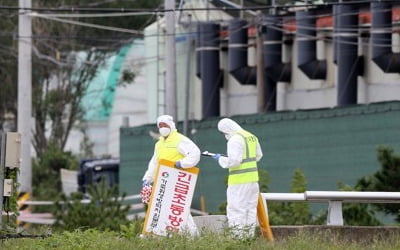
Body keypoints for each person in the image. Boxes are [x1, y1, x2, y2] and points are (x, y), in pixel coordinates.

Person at [141, 114, 201, 236]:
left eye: (165, 125)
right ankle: (165, 235)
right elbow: (154, 162)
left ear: (171, 125)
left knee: (179, 209)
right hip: (164, 181)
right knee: (165, 209)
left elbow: (195, 154)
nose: (163, 128)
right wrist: (148, 178)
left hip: (178, 180)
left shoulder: (180, 140)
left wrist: (182, 164)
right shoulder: (159, 144)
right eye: (160, 126)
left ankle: (193, 236)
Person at [212, 118, 263, 239]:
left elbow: (234, 162)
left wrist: (220, 159)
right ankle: (248, 239)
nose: (224, 135)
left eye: (223, 132)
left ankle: (237, 240)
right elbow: (258, 156)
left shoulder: (234, 140)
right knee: (250, 210)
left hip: (239, 181)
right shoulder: (251, 136)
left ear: (226, 130)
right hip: (253, 180)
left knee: (236, 210)